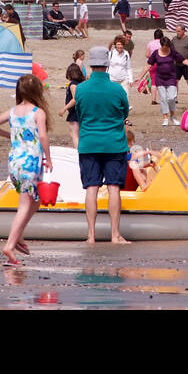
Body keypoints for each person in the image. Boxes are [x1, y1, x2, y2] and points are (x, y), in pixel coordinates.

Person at [0, 74, 53, 265]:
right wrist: (48, 157)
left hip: (15, 162)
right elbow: (44, 137)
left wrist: (12, 136)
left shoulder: (13, 111)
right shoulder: (38, 112)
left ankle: (18, 235)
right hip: (30, 163)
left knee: (35, 202)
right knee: (25, 205)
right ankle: (10, 245)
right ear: (36, 91)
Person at [74, 46, 131, 244]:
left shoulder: (81, 89)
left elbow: (80, 114)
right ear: (107, 64)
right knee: (114, 188)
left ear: (90, 64)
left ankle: (91, 235)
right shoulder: (117, 89)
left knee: (91, 188)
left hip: (89, 142)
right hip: (114, 143)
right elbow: (124, 113)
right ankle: (115, 234)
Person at [147, 36, 188, 126]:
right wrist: (139, 77)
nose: (166, 49)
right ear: (162, 46)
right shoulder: (156, 53)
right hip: (160, 78)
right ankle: (165, 118)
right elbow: (148, 65)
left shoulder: (172, 52)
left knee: (171, 98)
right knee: (163, 98)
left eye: (168, 46)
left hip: (171, 78)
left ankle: (173, 116)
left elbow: (184, 60)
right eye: (165, 47)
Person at [60, 50, 86, 147]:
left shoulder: (73, 85)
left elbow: (75, 99)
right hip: (79, 111)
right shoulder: (81, 84)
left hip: (74, 112)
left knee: (74, 135)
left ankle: (78, 154)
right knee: (78, 134)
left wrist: (64, 108)